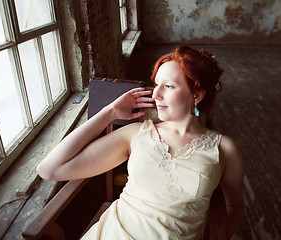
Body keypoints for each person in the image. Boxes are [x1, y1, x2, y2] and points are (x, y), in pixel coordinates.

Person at [37, 45, 244, 240]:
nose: (156, 94)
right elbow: (50, 169)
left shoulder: (224, 149)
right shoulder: (137, 134)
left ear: (196, 95)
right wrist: (109, 113)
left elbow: (233, 205)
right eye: (156, 85)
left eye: (168, 86)